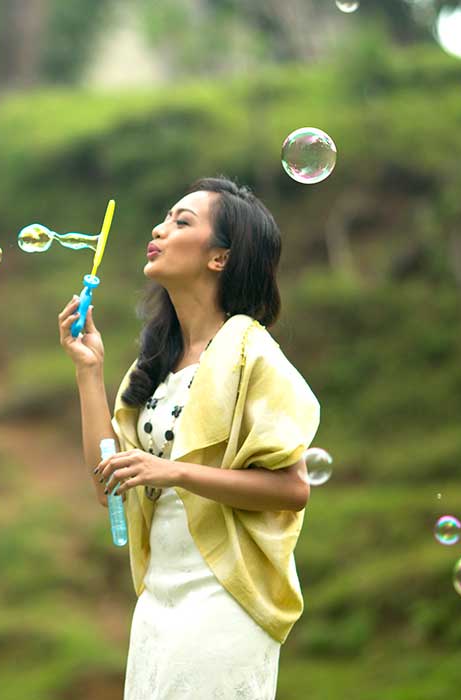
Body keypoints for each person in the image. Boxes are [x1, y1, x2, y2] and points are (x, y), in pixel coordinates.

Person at [58, 177, 320, 699]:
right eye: (165, 218)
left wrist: (174, 472)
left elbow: (293, 489)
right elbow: (108, 482)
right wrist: (90, 372)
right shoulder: (156, 363)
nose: (159, 229)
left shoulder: (252, 353)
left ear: (219, 257)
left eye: (181, 221)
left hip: (223, 594)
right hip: (158, 596)